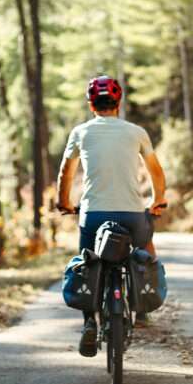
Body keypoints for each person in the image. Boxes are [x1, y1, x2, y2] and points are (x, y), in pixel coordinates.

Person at [56, 75, 168, 357]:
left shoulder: (80, 133)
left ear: (91, 105)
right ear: (118, 102)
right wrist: (158, 201)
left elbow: (65, 173)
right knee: (144, 249)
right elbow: (156, 171)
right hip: (132, 213)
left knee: (88, 261)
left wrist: (64, 203)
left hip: (93, 213)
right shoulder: (136, 132)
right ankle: (141, 309)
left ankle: (88, 325)